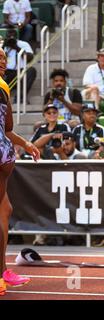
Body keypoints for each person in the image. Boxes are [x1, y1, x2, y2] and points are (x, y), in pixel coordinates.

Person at [0, 47, 40, 296]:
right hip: (3, 152)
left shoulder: (3, 85)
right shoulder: (2, 86)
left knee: (3, 210)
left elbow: (8, 127)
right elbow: (7, 126)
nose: (2, 61)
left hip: (3, 152)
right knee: (4, 210)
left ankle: (2, 271)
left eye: (4, 57)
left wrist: (25, 143)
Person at [2, 28, 36, 97]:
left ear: (16, 37)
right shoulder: (3, 46)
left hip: (20, 72)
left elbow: (30, 58)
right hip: (6, 72)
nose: (11, 39)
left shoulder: (23, 44)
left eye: (13, 37)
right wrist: (3, 46)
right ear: (6, 37)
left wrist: (16, 48)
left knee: (32, 70)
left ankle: (20, 97)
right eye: (9, 37)